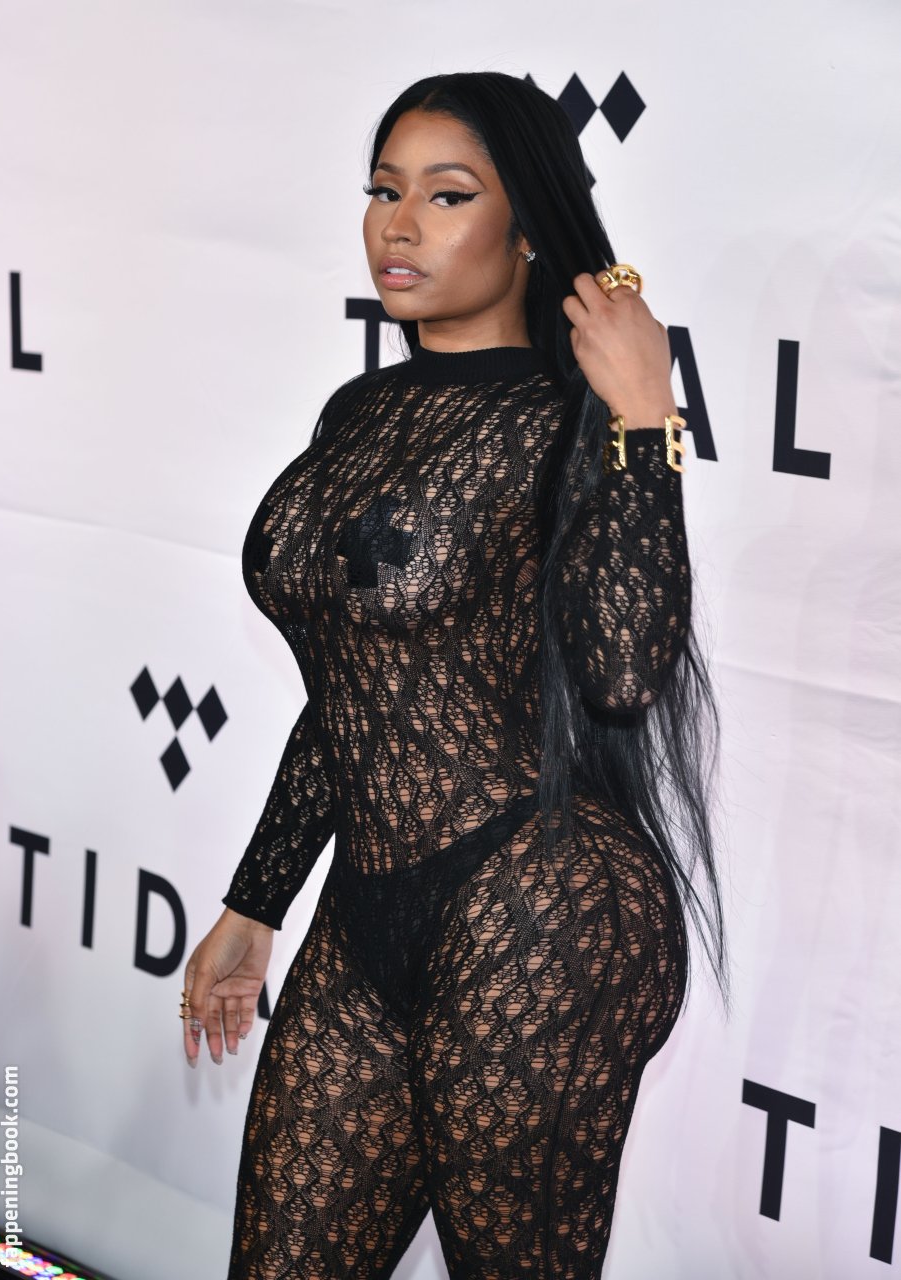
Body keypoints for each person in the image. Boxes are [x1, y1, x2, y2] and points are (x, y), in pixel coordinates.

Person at [181, 70, 730, 1280]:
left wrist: (644, 418)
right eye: (382, 190)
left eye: (445, 195)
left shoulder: (571, 418)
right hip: (364, 909)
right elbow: (354, 691)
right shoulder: (357, 411)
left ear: (525, 225)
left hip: (540, 906)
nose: (397, 225)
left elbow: (623, 676)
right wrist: (256, 898)